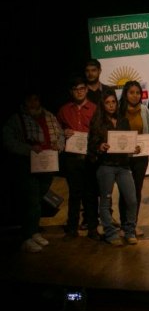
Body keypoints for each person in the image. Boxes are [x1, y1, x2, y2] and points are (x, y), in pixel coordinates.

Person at [4, 90, 63, 252]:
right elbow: (8, 140)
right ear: (24, 102)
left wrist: (58, 146)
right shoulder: (17, 119)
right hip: (28, 165)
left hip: (48, 164)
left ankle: (34, 231)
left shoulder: (49, 116)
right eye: (29, 100)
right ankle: (26, 237)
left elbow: (59, 135)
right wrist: (28, 149)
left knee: (37, 200)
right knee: (31, 201)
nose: (33, 103)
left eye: (35, 99)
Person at [88, 91, 141, 245]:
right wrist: (100, 146)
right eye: (107, 102)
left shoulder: (123, 121)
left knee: (132, 200)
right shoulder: (98, 123)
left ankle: (129, 231)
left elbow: (128, 143)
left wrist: (134, 148)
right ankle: (110, 233)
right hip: (106, 166)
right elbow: (91, 145)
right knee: (105, 202)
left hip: (123, 165)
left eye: (113, 102)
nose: (111, 105)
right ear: (102, 105)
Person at [57, 76, 99, 237]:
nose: (79, 92)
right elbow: (56, 131)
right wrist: (63, 132)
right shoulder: (64, 110)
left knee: (91, 193)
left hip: (90, 157)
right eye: (76, 89)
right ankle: (72, 228)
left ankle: (92, 227)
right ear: (71, 92)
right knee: (75, 193)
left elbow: (100, 130)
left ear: (86, 90)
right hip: (72, 158)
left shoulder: (95, 108)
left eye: (82, 88)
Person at [117, 81, 149, 235]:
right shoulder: (119, 110)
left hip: (140, 157)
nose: (135, 96)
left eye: (138, 93)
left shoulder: (144, 110)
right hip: (123, 158)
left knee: (136, 190)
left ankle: (133, 224)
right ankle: (123, 224)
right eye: (131, 92)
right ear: (125, 94)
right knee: (124, 191)